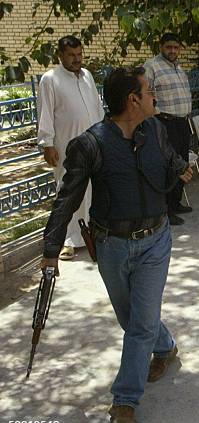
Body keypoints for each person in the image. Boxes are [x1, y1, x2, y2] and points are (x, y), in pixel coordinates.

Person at [40, 67, 193, 423]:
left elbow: (169, 165)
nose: (155, 96)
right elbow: (67, 199)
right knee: (132, 319)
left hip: (156, 240)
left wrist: (180, 170)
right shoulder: (91, 144)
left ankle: (125, 401)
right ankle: (167, 346)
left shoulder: (156, 129)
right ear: (132, 100)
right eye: (149, 91)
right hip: (111, 246)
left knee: (139, 324)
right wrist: (50, 249)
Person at [37, 35, 105, 261]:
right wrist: (47, 144)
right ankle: (67, 241)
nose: (77, 60)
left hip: (94, 143)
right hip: (67, 146)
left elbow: (97, 107)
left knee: (92, 191)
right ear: (60, 55)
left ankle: (90, 235)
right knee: (67, 192)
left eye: (79, 55)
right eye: (71, 56)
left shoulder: (87, 76)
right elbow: (45, 113)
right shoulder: (50, 79)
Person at [144, 33, 193, 226]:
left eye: (176, 47)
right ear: (161, 47)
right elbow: (147, 95)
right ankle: (166, 210)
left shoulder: (178, 67)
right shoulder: (152, 66)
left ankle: (176, 202)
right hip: (164, 123)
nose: (172, 51)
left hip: (182, 122)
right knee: (168, 166)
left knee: (182, 162)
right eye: (168, 47)